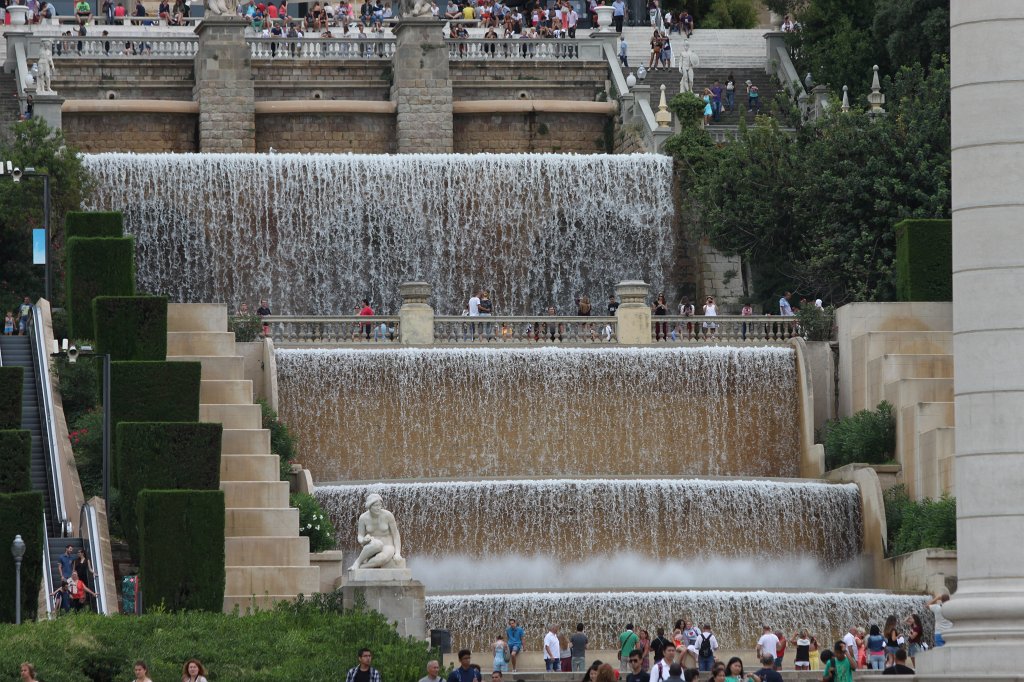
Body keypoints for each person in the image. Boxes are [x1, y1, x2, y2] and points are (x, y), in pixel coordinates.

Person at [349, 493, 403, 570]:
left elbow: (396, 534)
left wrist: (397, 553)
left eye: (380, 505)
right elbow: (360, 536)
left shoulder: (388, 515)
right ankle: (357, 562)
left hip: (387, 545)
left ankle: (361, 567)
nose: (378, 508)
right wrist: (363, 540)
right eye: (376, 505)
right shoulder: (363, 518)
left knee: (381, 558)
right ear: (369, 506)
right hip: (372, 546)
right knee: (378, 544)